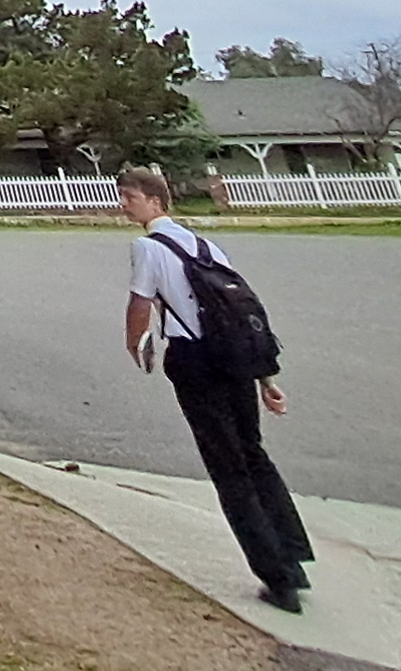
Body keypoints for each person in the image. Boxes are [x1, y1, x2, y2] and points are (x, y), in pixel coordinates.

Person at [118, 163, 314, 614]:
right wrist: (266, 378)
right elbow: (241, 312)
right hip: (237, 360)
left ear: (154, 200)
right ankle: (292, 557)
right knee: (253, 453)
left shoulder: (146, 246)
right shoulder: (208, 246)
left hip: (195, 360)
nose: (123, 205)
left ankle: (277, 578)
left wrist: (135, 343)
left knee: (228, 465)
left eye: (130, 197)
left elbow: (140, 301)